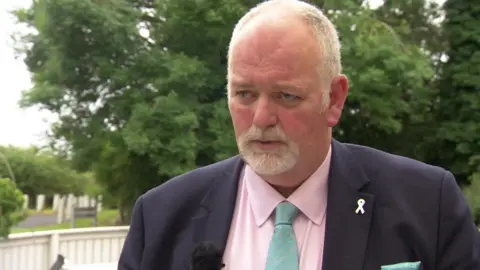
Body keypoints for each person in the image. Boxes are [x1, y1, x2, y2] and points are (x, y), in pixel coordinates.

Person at [117, 0, 480, 269]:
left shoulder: (427, 204)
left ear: (334, 99)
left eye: (285, 96)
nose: (261, 117)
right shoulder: (161, 217)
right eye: (244, 94)